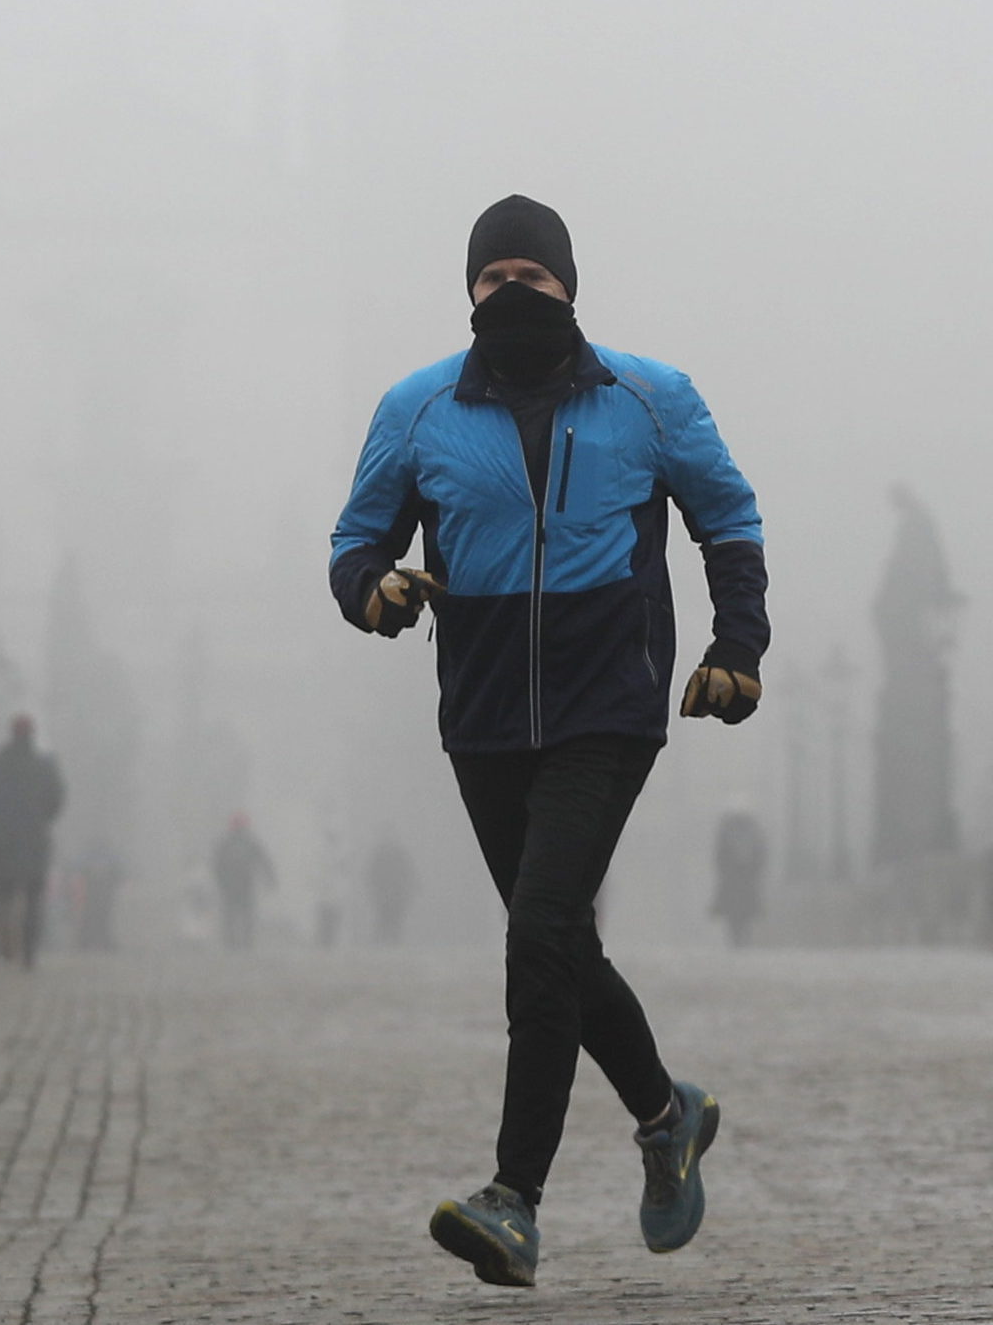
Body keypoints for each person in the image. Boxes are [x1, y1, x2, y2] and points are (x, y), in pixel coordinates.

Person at [332, 194, 770, 1288]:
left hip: (606, 705)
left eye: (530, 273)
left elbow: (729, 518)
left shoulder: (648, 396)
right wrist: (376, 592)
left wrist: (738, 645)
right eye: (491, 279)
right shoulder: (417, 407)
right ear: (468, 292)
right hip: (481, 715)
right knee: (562, 943)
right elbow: (355, 544)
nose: (510, 292)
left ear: (569, 283)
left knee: (538, 928)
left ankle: (514, 1199)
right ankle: (669, 1115)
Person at [0, 716, 67, 972]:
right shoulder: (44, 766)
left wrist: (0, 816)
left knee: (3, 894)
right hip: (34, 839)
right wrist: (39, 817)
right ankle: (29, 952)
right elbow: (56, 801)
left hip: (1, 838)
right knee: (33, 899)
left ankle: (5, 937)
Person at [212, 812, 277, 951]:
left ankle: (232, 943)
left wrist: (220, 882)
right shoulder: (250, 842)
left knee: (231, 914)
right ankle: (245, 943)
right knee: (245, 914)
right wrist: (270, 879)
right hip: (244, 884)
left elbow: (216, 865)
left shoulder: (225, 842)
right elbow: (264, 861)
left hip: (231, 885)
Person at [709, 804, 769, 949]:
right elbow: (761, 855)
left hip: (737, 879)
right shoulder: (752, 830)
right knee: (743, 911)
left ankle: (738, 940)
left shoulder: (730, 830)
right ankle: (741, 940)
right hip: (742, 879)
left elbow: (719, 855)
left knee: (738, 911)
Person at [366, 830, 417, 948]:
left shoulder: (399, 854)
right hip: (382, 893)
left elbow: (408, 872)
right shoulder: (378, 855)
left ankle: (394, 944)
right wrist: (374, 890)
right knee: (382, 917)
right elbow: (371, 874)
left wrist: (409, 888)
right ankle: (380, 944)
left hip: (397, 893)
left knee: (396, 918)